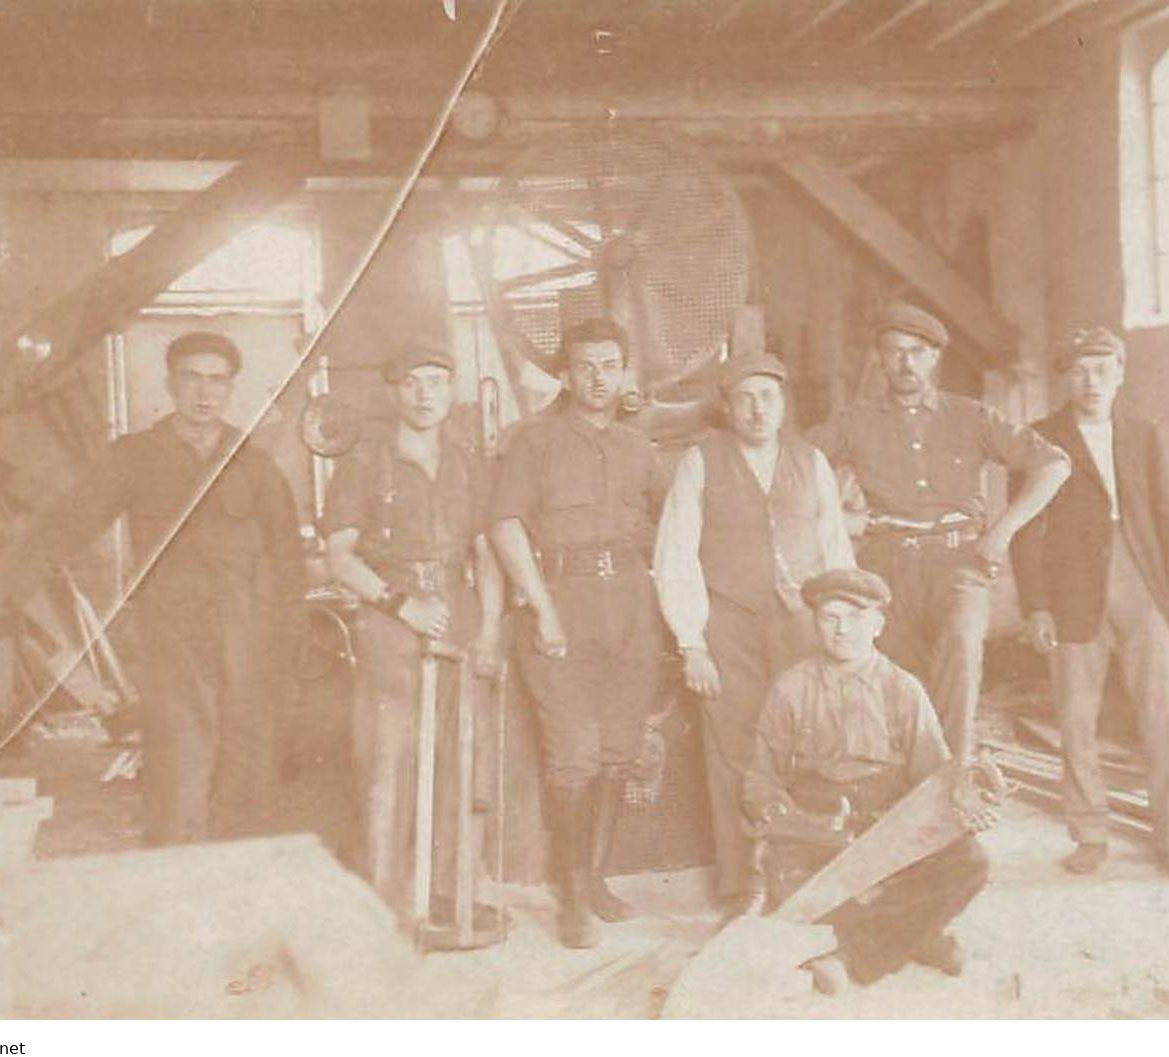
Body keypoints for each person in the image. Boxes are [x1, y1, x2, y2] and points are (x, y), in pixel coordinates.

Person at [0, 331, 303, 845]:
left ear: (231, 388)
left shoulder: (252, 463)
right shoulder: (136, 455)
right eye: (192, 378)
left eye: (217, 381)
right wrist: (10, 585)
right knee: (180, 762)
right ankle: (174, 882)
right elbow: (71, 521)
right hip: (173, 635)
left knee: (246, 762)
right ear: (169, 384)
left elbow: (287, 555)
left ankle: (236, 888)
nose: (205, 394)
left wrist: (285, 640)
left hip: (245, 633)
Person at [810, 299, 1070, 760]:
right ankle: (909, 804)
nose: (905, 362)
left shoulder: (970, 416)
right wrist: (840, 520)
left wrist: (1002, 532)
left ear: (934, 358)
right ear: (881, 359)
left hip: (959, 564)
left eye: (916, 351)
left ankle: (953, 794)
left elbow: (1053, 465)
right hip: (886, 566)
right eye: (894, 351)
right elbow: (792, 465)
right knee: (898, 684)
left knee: (960, 652)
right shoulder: (856, 422)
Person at [488, 318, 670, 948]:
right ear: (565, 374)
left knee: (619, 751)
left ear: (625, 373)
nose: (599, 377)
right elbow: (506, 527)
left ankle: (595, 880)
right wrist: (541, 608)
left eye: (611, 364)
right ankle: (570, 898)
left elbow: (678, 526)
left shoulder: (639, 448)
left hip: (630, 607)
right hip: (559, 603)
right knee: (573, 756)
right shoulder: (531, 443)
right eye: (587, 366)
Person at [652, 353, 854, 916]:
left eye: (767, 395)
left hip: (802, 628)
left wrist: (842, 630)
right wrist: (692, 641)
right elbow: (675, 553)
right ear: (728, 406)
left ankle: (804, 882)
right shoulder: (700, 461)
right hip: (729, 628)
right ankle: (742, 888)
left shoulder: (810, 462)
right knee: (735, 753)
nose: (757, 408)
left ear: (783, 403)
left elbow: (837, 549)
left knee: (808, 746)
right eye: (745, 397)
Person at [743, 567, 993, 993]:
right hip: (818, 823)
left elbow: (934, 775)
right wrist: (794, 821)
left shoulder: (902, 689)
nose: (842, 631)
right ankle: (921, 938)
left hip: (888, 822)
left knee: (969, 862)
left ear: (878, 625)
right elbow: (759, 780)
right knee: (787, 894)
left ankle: (853, 960)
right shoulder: (791, 688)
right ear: (816, 624)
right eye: (830, 618)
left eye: (856, 618)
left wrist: (963, 800)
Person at [1009, 326, 1169, 882]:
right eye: (1080, 370)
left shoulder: (1142, 434)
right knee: (1075, 717)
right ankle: (1089, 833)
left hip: (1142, 580)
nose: (1091, 381)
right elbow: (1024, 529)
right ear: (1065, 378)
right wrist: (1036, 607)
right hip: (1072, 590)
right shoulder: (1038, 438)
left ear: (1120, 375)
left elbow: (1165, 516)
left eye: (1102, 369)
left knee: (1165, 714)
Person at [321, 338, 503, 918]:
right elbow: (340, 557)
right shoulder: (363, 463)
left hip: (460, 613)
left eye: (437, 381)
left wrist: (492, 627)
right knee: (387, 762)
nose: (426, 395)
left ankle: (447, 892)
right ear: (394, 393)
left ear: (452, 391)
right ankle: (383, 900)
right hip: (392, 624)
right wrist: (402, 605)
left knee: (459, 758)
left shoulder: (467, 461)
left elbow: (485, 549)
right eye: (413, 383)